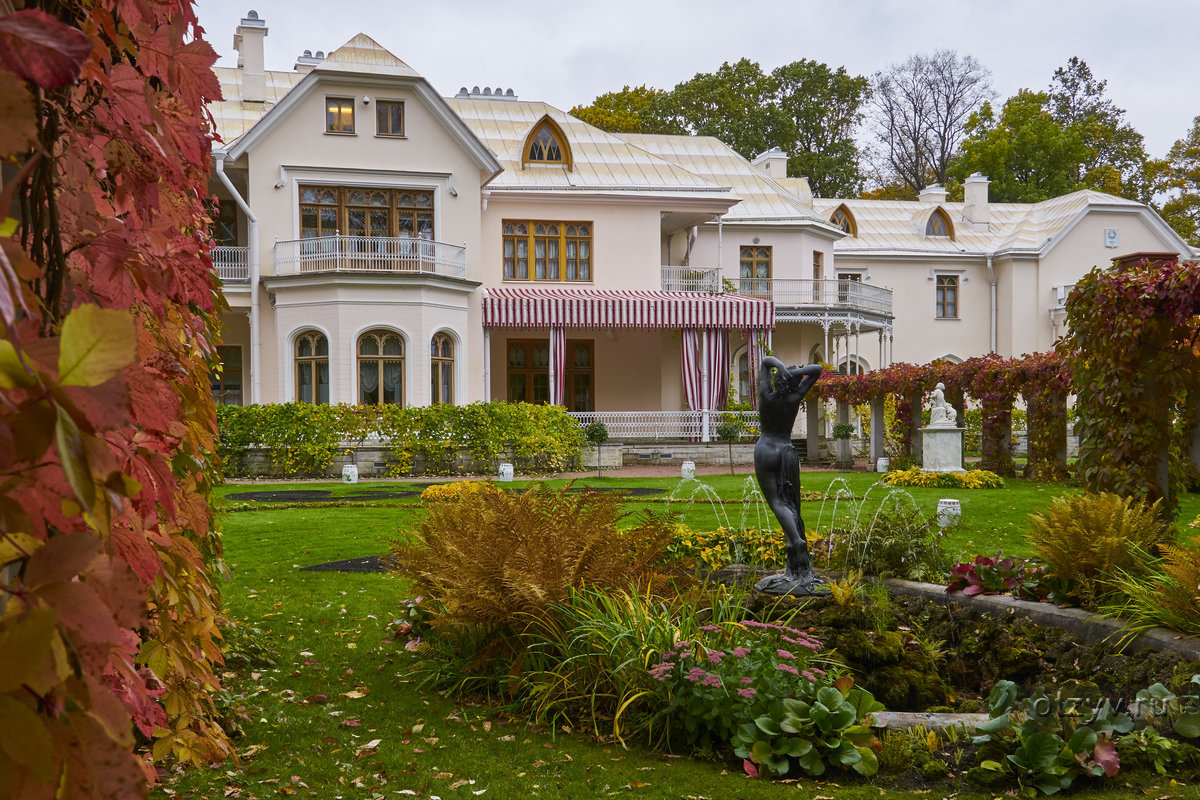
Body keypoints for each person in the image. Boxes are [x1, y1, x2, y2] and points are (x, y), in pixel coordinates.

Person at [753, 357, 827, 595]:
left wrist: (780, 368)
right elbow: (817, 370)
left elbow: (765, 363)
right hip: (787, 452)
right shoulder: (795, 398)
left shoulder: (767, 397)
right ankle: (797, 554)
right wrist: (794, 373)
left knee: (776, 502)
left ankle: (795, 540)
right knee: (792, 503)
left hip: (766, 450)